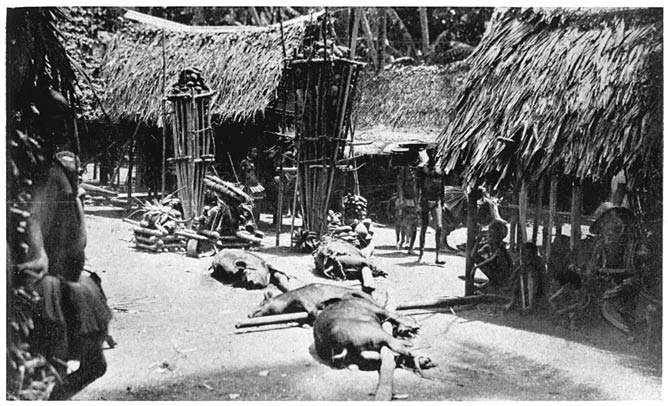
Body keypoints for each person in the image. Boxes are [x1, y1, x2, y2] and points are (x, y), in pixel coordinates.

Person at [416, 148, 445, 264]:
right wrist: (418, 202)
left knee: (439, 227)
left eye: (436, 155)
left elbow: (442, 186)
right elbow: (418, 186)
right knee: (424, 226)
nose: (434, 157)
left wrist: (442, 202)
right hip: (425, 200)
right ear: (429, 155)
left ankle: (437, 257)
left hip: (436, 200)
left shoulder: (440, 170)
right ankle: (421, 254)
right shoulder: (423, 169)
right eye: (432, 154)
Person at [239, 147, 265, 225]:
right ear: (249, 152)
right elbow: (241, 174)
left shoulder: (254, 162)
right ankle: (247, 221)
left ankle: (255, 221)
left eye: (256, 152)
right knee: (248, 203)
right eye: (254, 152)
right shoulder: (244, 162)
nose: (255, 154)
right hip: (248, 186)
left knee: (257, 203)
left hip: (255, 185)